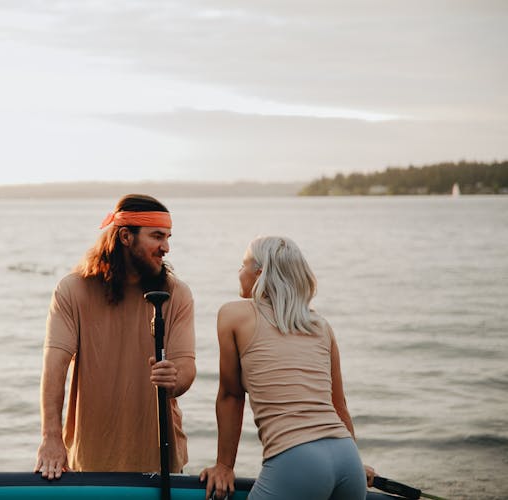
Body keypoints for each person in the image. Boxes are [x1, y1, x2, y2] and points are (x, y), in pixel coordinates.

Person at [35, 194, 196, 480]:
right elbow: (55, 366)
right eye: (157, 236)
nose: (166, 247)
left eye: (168, 237)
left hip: (160, 462)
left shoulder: (177, 293)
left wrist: (175, 378)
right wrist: (51, 437)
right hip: (89, 460)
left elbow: (186, 367)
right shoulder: (73, 290)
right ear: (125, 236)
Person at [200, 236, 370, 500]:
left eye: (243, 265)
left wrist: (224, 466)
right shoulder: (320, 325)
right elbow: (339, 405)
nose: (239, 272)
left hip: (297, 460)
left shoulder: (234, 315)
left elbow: (231, 395)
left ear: (260, 272)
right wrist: (356, 462)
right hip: (346, 457)